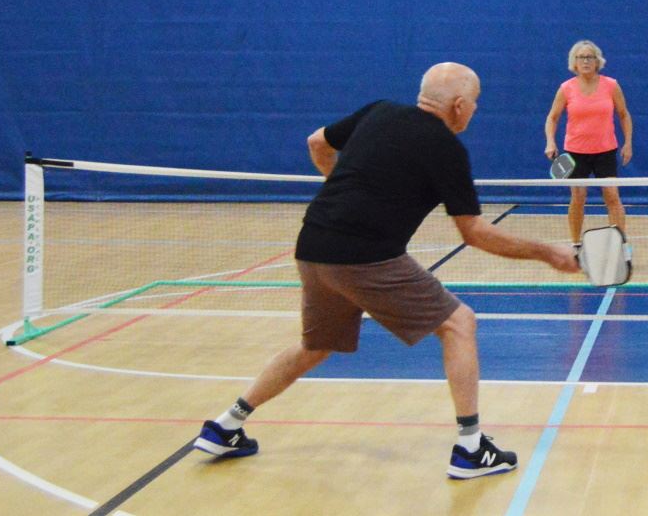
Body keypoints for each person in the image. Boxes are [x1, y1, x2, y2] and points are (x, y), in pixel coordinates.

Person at [194, 62, 579, 480]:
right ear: (460, 105)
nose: (474, 111)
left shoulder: (378, 111)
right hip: (365, 257)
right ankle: (470, 448)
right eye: (476, 104)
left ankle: (226, 425)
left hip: (313, 245)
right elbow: (474, 233)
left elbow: (316, 142)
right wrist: (548, 253)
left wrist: (343, 187)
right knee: (459, 324)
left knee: (315, 345)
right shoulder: (446, 148)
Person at [544, 40, 633, 251]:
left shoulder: (611, 85)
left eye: (589, 57)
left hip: (605, 150)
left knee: (612, 196)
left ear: (597, 61)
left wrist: (628, 143)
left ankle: (620, 244)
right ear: (574, 62)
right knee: (578, 198)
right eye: (581, 57)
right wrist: (550, 141)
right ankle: (576, 244)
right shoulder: (566, 88)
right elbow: (553, 117)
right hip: (576, 153)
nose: (585, 61)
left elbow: (623, 114)